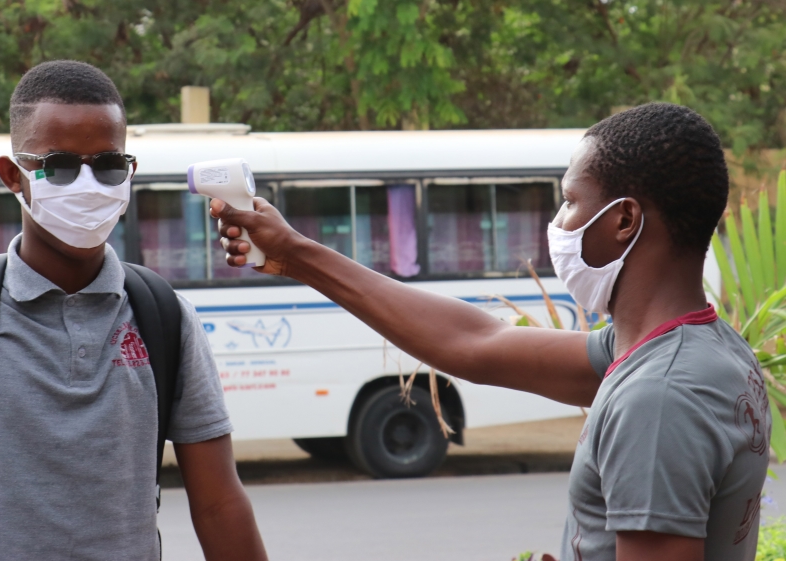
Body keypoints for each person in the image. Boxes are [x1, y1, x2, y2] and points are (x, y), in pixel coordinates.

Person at [212, 102, 769, 561]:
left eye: (572, 201)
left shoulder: (660, 396)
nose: (559, 224)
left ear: (624, 220)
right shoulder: (701, 351)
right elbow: (477, 345)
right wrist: (294, 255)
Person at [0, 60, 267, 561]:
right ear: (13, 176)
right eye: (60, 166)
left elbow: (218, 504)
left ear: (128, 174)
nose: (87, 186)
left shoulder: (165, 317)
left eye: (108, 166)